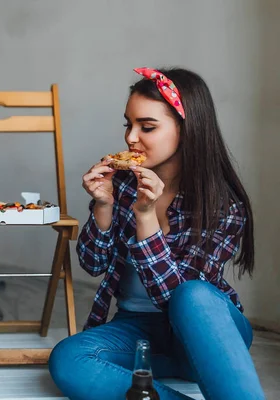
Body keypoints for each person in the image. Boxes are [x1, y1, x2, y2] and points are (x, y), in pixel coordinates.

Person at [48, 67, 265, 399]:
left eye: (147, 127)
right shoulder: (121, 185)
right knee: (69, 357)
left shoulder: (222, 204)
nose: (131, 138)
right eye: (128, 124)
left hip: (205, 330)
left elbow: (174, 299)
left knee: (193, 295)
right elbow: (93, 265)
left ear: (187, 129)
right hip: (136, 329)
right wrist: (103, 206)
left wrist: (146, 216)